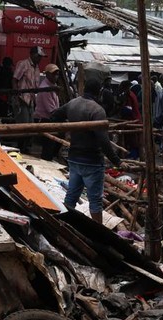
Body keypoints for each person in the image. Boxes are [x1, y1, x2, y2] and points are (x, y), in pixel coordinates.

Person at [50, 78, 122, 223]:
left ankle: (64, 224)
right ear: (99, 92)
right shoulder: (97, 110)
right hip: (92, 161)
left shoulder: (73, 104)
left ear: (84, 89)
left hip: (74, 158)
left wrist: (67, 127)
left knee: (71, 196)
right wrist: (117, 161)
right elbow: (103, 141)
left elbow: (54, 115)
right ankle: (98, 233)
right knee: (95, 201)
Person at [12, 46, 45, 152]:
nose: (40, 59)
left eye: (40, 57)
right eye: (38, 56)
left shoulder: (37, 68)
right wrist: (17, 96)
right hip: (22, 98)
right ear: (32, 54)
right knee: (23, 125)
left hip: (30, 99)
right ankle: (21, 147)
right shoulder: (23, 64)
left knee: (30, 124)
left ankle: (25, 147)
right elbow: (15, 79)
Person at [34, 64, 61, 160]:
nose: (56, 76)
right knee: (49, 145)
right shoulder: (45, 88)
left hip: (49, 117)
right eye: (54, 74)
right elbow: (51, 110)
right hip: (44, 119)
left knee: (54, 141)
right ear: (48, 74)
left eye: (57, 74)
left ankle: (51, 156)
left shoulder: (52, 86)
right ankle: (47, 159)